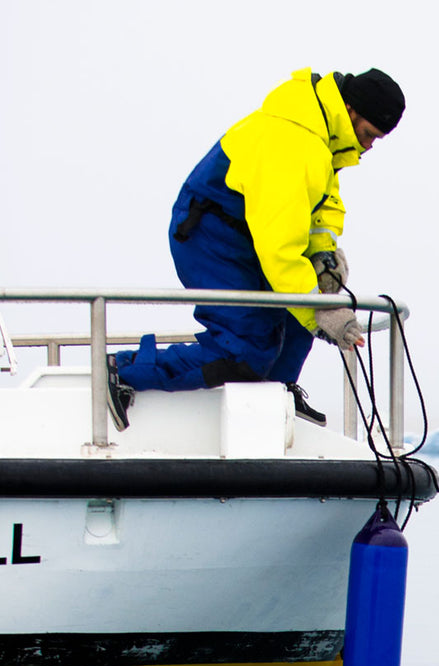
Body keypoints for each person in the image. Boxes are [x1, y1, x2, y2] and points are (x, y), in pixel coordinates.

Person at [107, 67, 405, 430]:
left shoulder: (324, 137)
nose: (370, 145)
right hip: (211, 235)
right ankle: (123, 370)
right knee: (244, 349)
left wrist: (324, 260)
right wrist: (322, 312)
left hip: (250, 234)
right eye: (369, 134)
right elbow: (279, 248)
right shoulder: (294, 140)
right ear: (350, 109)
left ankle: (273, 395)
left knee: (295, 323)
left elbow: (320, 211)